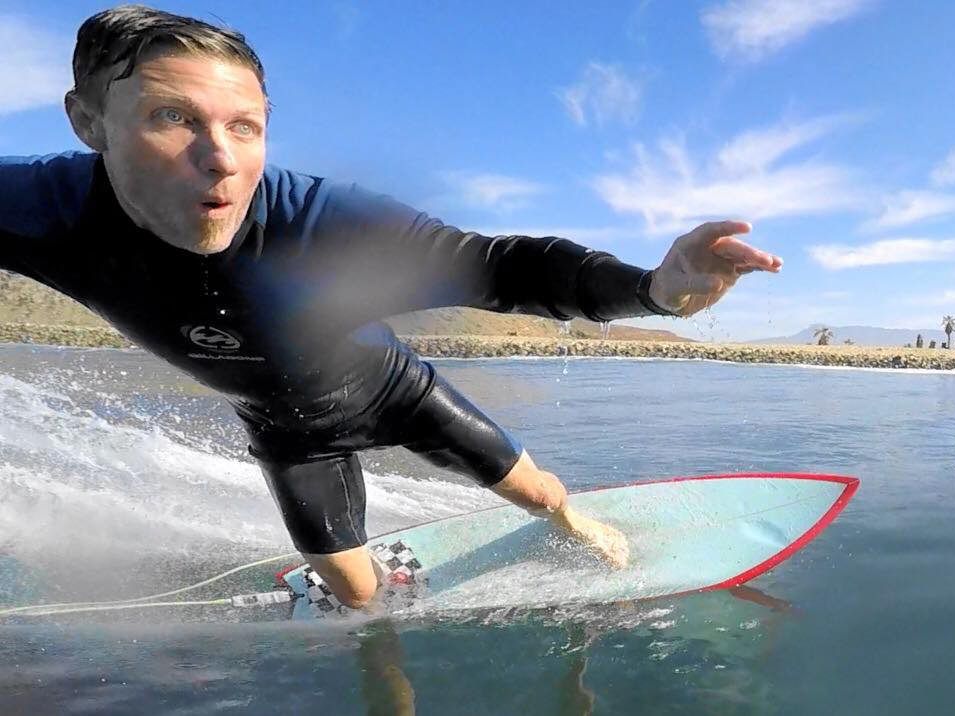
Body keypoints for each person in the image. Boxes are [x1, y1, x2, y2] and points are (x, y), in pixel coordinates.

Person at [0, 6, 782, 609]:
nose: (221, 158)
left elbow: (497, 266)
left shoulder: (318, 225)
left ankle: (570, 521)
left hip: (397, 393)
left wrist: (652, 289)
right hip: (289, 436)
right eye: (172, 118)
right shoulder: (40, 211)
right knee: (359, 601)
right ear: (88, 121)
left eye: (245, 126)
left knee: (541, 495)